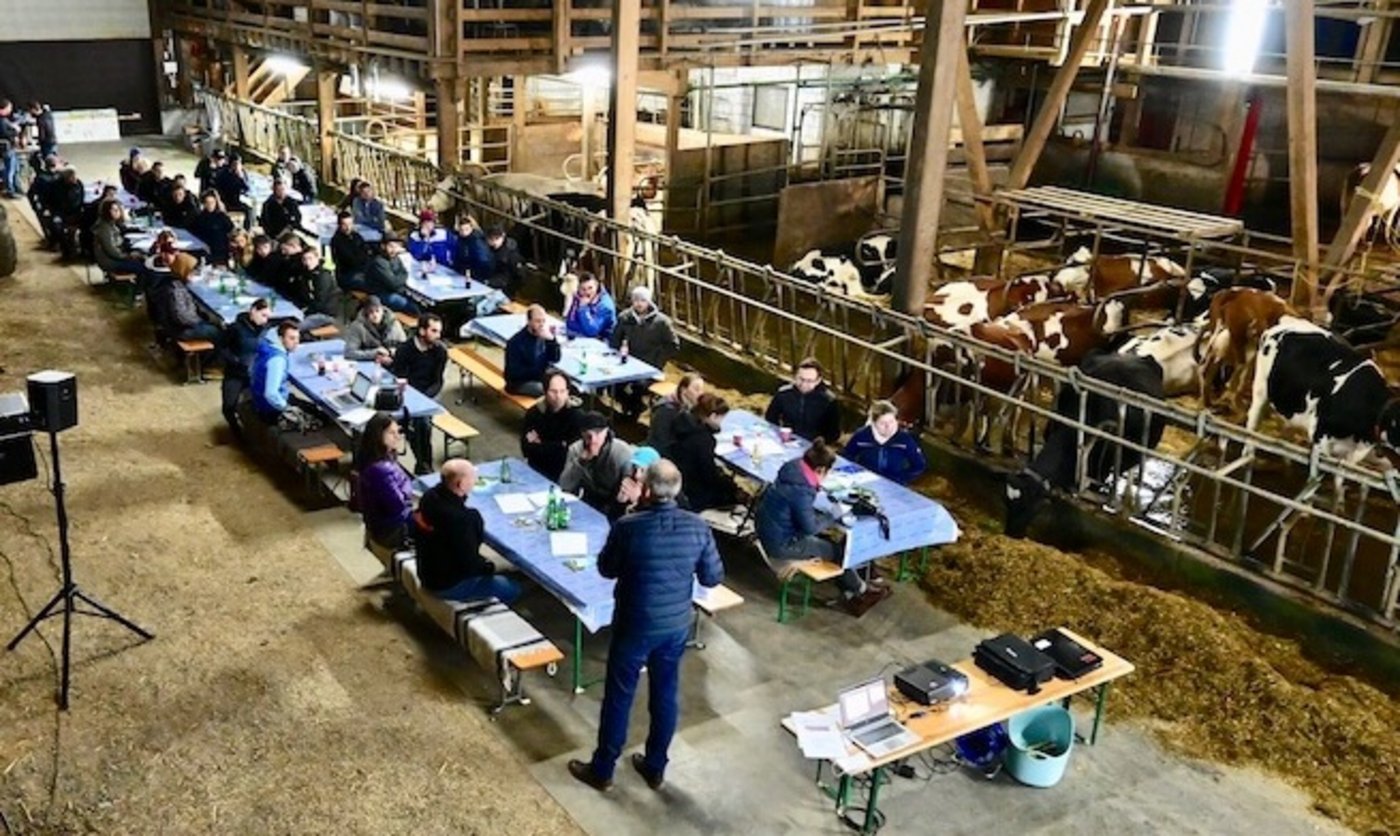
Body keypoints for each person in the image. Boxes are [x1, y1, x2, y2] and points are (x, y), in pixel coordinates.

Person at [567, 459, 723, 793]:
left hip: (635, 623)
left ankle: (603, 769)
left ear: (647, 489)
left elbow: (607, 568)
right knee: (665, 694)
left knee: (619, 696)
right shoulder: (698, 527)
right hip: (675, 625)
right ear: (677, 489)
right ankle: (655, 766)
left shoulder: (629, 526)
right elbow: (712, 576)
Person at [754, 442, 889, 618]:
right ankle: (860, 593)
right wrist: (833, 514)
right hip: (782, 544)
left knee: (827, 542)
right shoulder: (801, 492)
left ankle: (850, 591)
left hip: (768, 530)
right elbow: (810, 528)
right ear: (820, 470)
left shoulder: (792, 469)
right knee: (838, 552)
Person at [413, 459, 522, 604]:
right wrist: (489, 567)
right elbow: (469, 562)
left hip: (427, 570)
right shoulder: (462, 519)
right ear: (461, 484)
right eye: (473, 477)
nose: (475, 480)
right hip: (448, 584)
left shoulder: (429, 497)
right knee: (513, 588)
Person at [391, 314, 448, 474]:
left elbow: (438, 381)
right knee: (416, 423)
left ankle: (424, 464)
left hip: (429, 394)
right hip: (408, 393)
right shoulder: (405, 350)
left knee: (422, 422)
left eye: (439, 331)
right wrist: (412, 398)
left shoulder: (440, 351)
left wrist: (425, 399)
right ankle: (423, 463)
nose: (438, 336)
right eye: (434, 331)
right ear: (422, 331)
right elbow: (400, 377)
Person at [610, 285, 680, 417]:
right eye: (636, 300)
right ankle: (631, 407)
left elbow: (673, 345)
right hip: (628, 363)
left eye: (643, 300)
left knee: (639, 387)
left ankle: (633, 414)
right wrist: (619, 352)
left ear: (649, 301)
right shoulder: (625, 317)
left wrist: (658, 360)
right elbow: (615, 339)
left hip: (650, 367)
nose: (639, 304)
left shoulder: (662, 322)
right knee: (613, 386)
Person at [671, 394, 740, 511]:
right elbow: (708, 474)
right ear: (713, 416)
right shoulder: (704, 440)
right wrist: (728, 485)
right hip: (693, 488)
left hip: (680, 475)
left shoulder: (684, 423)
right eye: (721, 418)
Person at [357, 413, 415, 551]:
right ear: (378, 435)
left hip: (379, 525)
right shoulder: (381, 470)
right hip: (390, 531)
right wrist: (406, 488)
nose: (398, 437)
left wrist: (404, 486)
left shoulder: (376, 458)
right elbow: (398, 505)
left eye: (398, 432)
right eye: (391, 433)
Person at [559, 411, 635, 511]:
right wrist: (580, 463)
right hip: (589, 501)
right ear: (582, 434)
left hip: (614, 503)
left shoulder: (621, 452)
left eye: (598, 434)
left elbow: (630, 485)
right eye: (588, 436)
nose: (593, 440)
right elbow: (565, 485)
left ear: (606, 432)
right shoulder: (575, 450)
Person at [219, 297, 271, 440]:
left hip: (256, 374)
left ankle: (255, 434)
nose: (265, 320)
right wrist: (235, 360)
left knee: (259, 406)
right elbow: (221, 347)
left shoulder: (267, 330)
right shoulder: (235, 328)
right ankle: (237, 432)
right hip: (236, 373)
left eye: (268, 317)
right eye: (263, 315)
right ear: (253, 311)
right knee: (228, 407)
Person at [843, 400, 927, 485]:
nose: (888, 427)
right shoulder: (862, 436)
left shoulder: (904, 439)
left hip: (893, 484)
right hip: (865, 482)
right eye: (882, 423)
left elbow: (919, 464)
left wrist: (901, 478)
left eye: (891, 421)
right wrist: (855, 473)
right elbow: (847, 455)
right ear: (874, 423)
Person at [520, 369, 582, 481]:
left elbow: (571, 454)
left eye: (562, 391)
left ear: (568, 392)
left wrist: (541, 444)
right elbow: (526, 448)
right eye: (553, 391)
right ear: (545, 392)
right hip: (536, 468)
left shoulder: (577, 417)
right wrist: (560, 445)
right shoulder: (534, 413)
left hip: (565, 474)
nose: (558, 396)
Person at [765, 357, 841, 445]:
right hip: (785, 440)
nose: (804, 384)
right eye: (801, 379)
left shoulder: (829, 400)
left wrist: (821, 442)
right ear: (795, 376)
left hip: (813, 445)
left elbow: (834, 433)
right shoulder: (783, 393)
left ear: (818, 380)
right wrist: (779, 433)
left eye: (809, 381)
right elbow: (770, 418)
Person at [154, 255, 221, 343]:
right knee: (218, 332)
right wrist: (201, 321)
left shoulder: (175, 282)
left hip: (181, 325)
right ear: (183, 270)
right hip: (180, 330)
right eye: (191, 271)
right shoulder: (175, 289)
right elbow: (181, 318)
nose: (194, 274)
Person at [503, 304, 562, 396]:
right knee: (549, 391)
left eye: (543, 321)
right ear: (529, 321)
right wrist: (541, 372)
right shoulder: (516, 342)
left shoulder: (543, 336)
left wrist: (552, 341)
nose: (541, 324)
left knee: (561, 384)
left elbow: (555, 358)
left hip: (539, 377)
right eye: (538, 321)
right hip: (519, 383)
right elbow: (513, 373)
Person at [249, 320, 302, 422]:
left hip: (258, 399)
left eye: (298, 338)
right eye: (292, 338)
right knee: (316, 413)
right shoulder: (277, 360)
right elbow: (271, 394)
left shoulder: (268, 346)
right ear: (281, 339)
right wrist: (287, 408)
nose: (296, 342)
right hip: (270, 409)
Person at [645, 372, 704, 458]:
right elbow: (662, 440)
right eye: (697, 389)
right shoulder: (666, 410)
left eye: (702, 390)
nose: (701, 394)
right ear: (684, 389)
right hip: (658, 454)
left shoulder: (687, 407)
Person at [91, 199, 148, 280]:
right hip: (109, 261)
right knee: (142, 266)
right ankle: (141, 286)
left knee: (141, 258)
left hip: (114, 257)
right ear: (106, 211)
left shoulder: (110, 224)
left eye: (118, 209)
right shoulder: (104, 228)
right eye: (114, 210)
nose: (117, 212)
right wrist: (129, 256)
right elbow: (112, 251)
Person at [344, 295, 406, 365]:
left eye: (377, 311)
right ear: (366, 313)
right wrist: (374, 353)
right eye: (371, 312)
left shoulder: (394, 323)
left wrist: (392, 352)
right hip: (368, 362)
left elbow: (404, 346)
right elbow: (349, 353)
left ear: (382, 310)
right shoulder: (357, 326)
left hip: (392, 360)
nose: (375, 315)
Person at [364, 235, 418, 313]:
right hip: (380, 294)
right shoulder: (379, 262)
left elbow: (404, 272)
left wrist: (401, 277)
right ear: (383, 246)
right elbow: (393, 283)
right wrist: (402, 277)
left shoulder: (395, 258)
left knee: (417, 300)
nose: (394, 250)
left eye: (396, 247)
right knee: (411, 307)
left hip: (394, 290)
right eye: (391, 246)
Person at [609, 446, 661, 520]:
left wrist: (638, 501)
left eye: (643, 470)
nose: (637, 475)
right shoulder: (627, 481)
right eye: (635, 468)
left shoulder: (657, 496)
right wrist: (620, 502)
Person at [564, 272, 617, 340]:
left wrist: (583, 308)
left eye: (590, 288)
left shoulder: (605, 305)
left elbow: (592, 331)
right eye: (583, 289)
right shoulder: (579, 297)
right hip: (581, 337)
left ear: (596, 286)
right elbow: (570, 323)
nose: (587, 292)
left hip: (603, 340)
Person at [187, 191, 235, 266]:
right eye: (207, 203)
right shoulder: (200, 218)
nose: (210, 205)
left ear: (216, 203)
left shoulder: (222, 217)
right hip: (204, 250)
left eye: (212, 202)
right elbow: (193, 232)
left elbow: (231, 230)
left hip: (220, 252)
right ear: (204, 204)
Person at [330, 210, 374, 291]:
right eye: (345, 224)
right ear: (339, 225)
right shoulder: (337, 241)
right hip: (347, 275)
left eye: (350, 224)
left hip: (362, 270)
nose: (348, 227)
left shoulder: (356, 236)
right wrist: (364, 255)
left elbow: (367, 252)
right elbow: (352, 261)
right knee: (373, 285)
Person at [483, 224, 523, 297]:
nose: (494, 242)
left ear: (503, 237)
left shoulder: (510, 253)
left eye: (497, 239)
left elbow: (516, 274)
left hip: (505, 286)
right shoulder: (488, 248)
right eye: (491, 239)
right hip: (491, 280)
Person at [215, 156, 254, 230]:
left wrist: (241, 178)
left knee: (249, 209)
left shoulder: (242, 173)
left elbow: (247, 188)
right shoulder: (223, 173)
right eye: (235, 164)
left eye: (239, 164)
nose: (237, 166)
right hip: (224, 201)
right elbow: (217, 189)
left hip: (236, 200)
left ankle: (247, 230)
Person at [452, 214, 493, 279]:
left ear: (471, 228)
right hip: (464, 272)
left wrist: (473, 273)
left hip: (477, 275)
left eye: (466, 229)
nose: (464, 232)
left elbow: (483, 261)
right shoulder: (460, 239)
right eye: (461, 230)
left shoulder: (477, 241)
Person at [0, 100, 21, 197]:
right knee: (10, 169)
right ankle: (10, 190)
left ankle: (15, 187)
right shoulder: (2, 120)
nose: (10, 110)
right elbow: (4, 133)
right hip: (7, 147)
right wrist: (15, 131)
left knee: (14, 168)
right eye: (9, 108)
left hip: (8, 147)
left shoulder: (4, 120)